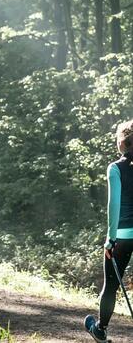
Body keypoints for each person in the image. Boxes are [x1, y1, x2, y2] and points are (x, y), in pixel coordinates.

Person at [84, 120, 133, 343]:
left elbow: (113, 205)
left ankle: (100, 330)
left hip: (122, 235)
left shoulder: (115, 168)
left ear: (121, 143)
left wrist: (110, 239)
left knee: (111, 286)